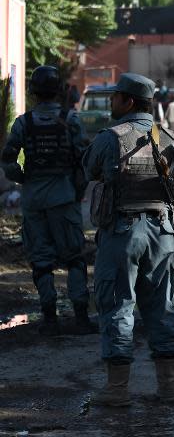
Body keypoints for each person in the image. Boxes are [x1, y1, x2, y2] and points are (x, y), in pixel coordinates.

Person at [83, 73, 174, 407]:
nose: (112, 102)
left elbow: (89, 169)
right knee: (163, 307)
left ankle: (117, 391)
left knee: (117, 305)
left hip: (123, 232)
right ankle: (168, 388)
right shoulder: (165, 135)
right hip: (163, 232)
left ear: (127, 101)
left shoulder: (111, 137)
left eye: (115, 97)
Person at [0, 65, 95, 336]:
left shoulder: (23, 123)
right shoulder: (70, 120)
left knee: (41, 261)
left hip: (34, 201)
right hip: (63, 199)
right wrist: (77, 190)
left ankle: (50, 319)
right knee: (74, 258)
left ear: (33, 92)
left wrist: (23, 179)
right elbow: (85, 161)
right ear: (59, 91)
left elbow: (7, 159)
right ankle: (80, 318)